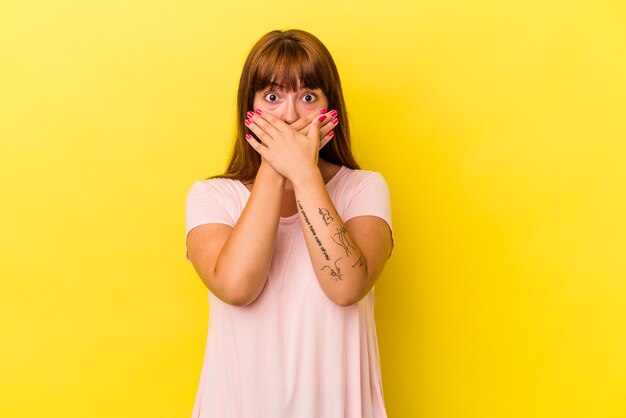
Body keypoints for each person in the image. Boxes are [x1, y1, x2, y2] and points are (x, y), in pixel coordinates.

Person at [185, 29, 395, 418]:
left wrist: (303, 174)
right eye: (272, 97)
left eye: (309, 97)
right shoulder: (212, 197)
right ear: (248, 110)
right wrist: (275, 166)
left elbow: (346, 286)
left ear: (331, 109)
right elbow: (236, 287)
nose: (290, 115)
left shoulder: (363, 189)